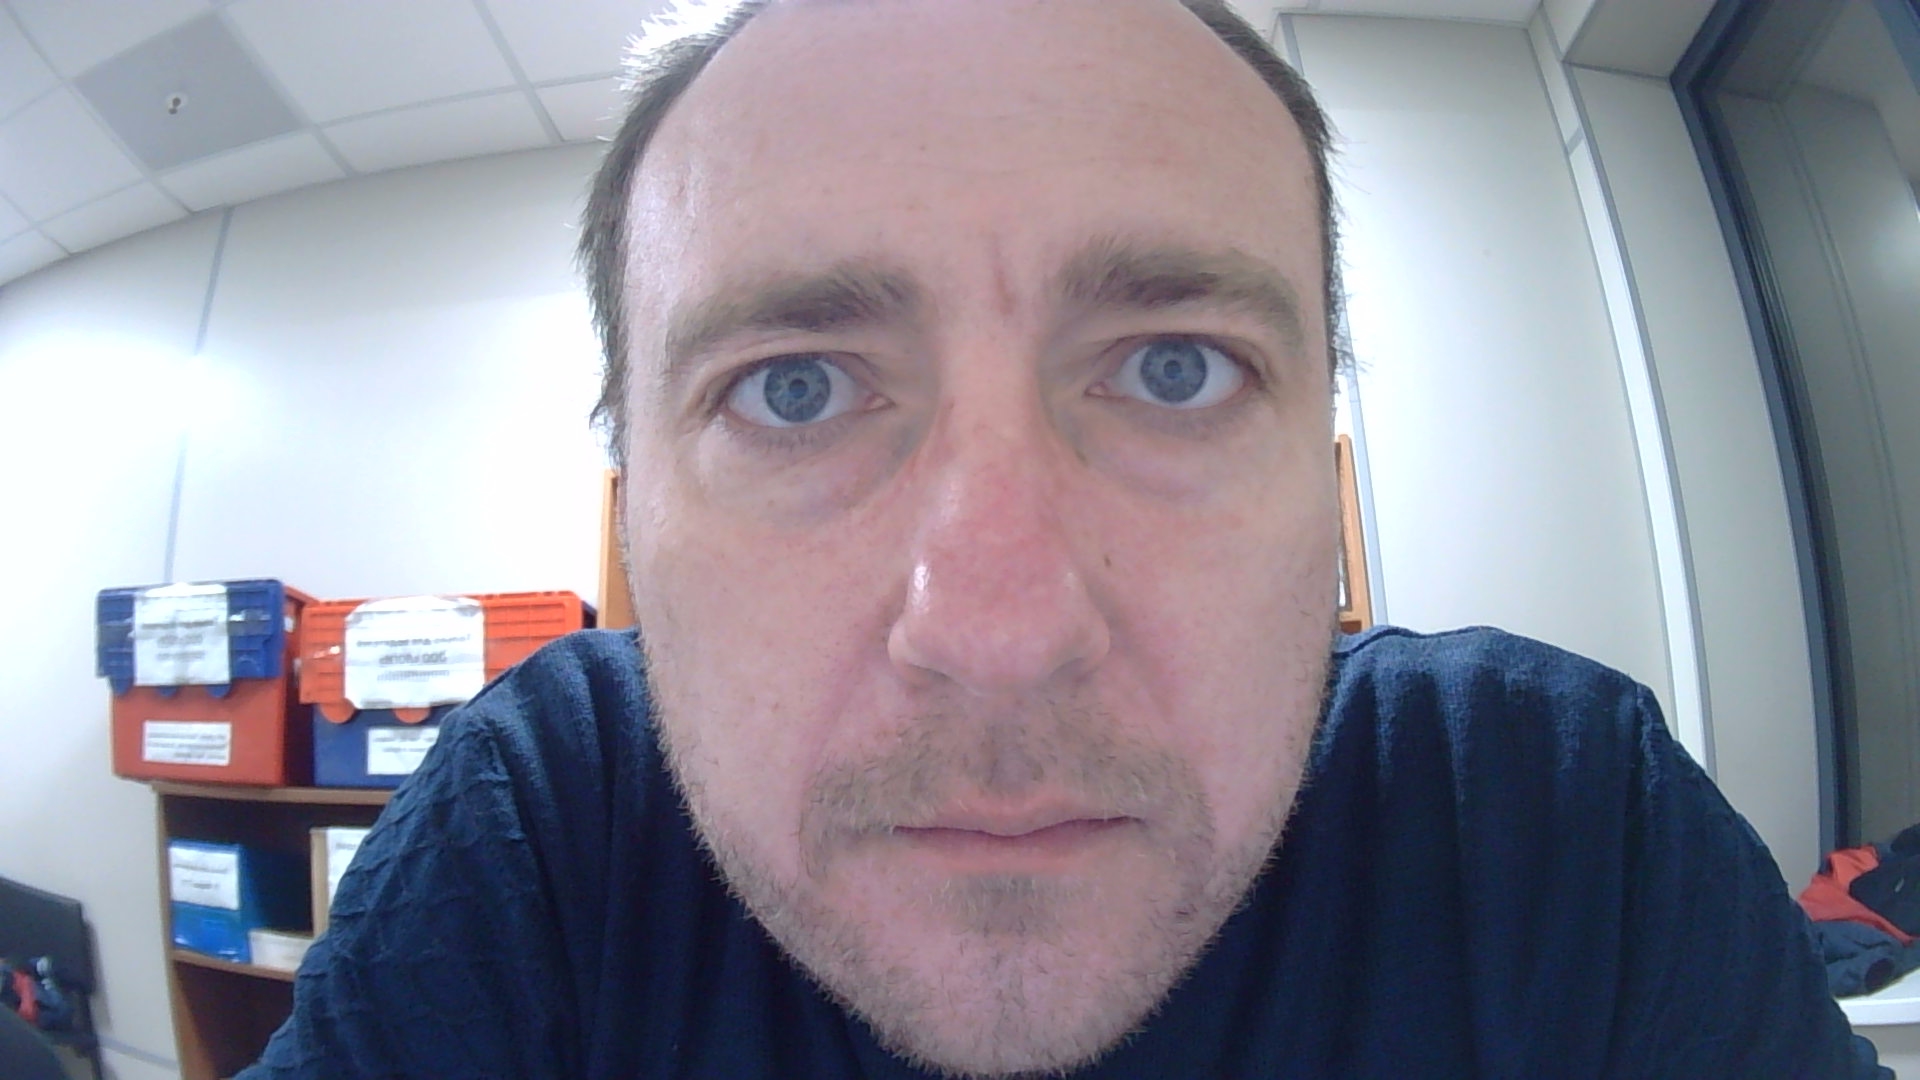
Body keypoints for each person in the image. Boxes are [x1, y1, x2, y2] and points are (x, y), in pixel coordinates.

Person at [239, 0, 1886, 1076]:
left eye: (1177, 369)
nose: (1002, 630)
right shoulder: (545, 828)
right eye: (795, 389)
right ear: (633, 526)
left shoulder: (1548, 816)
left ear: (1324, 496)